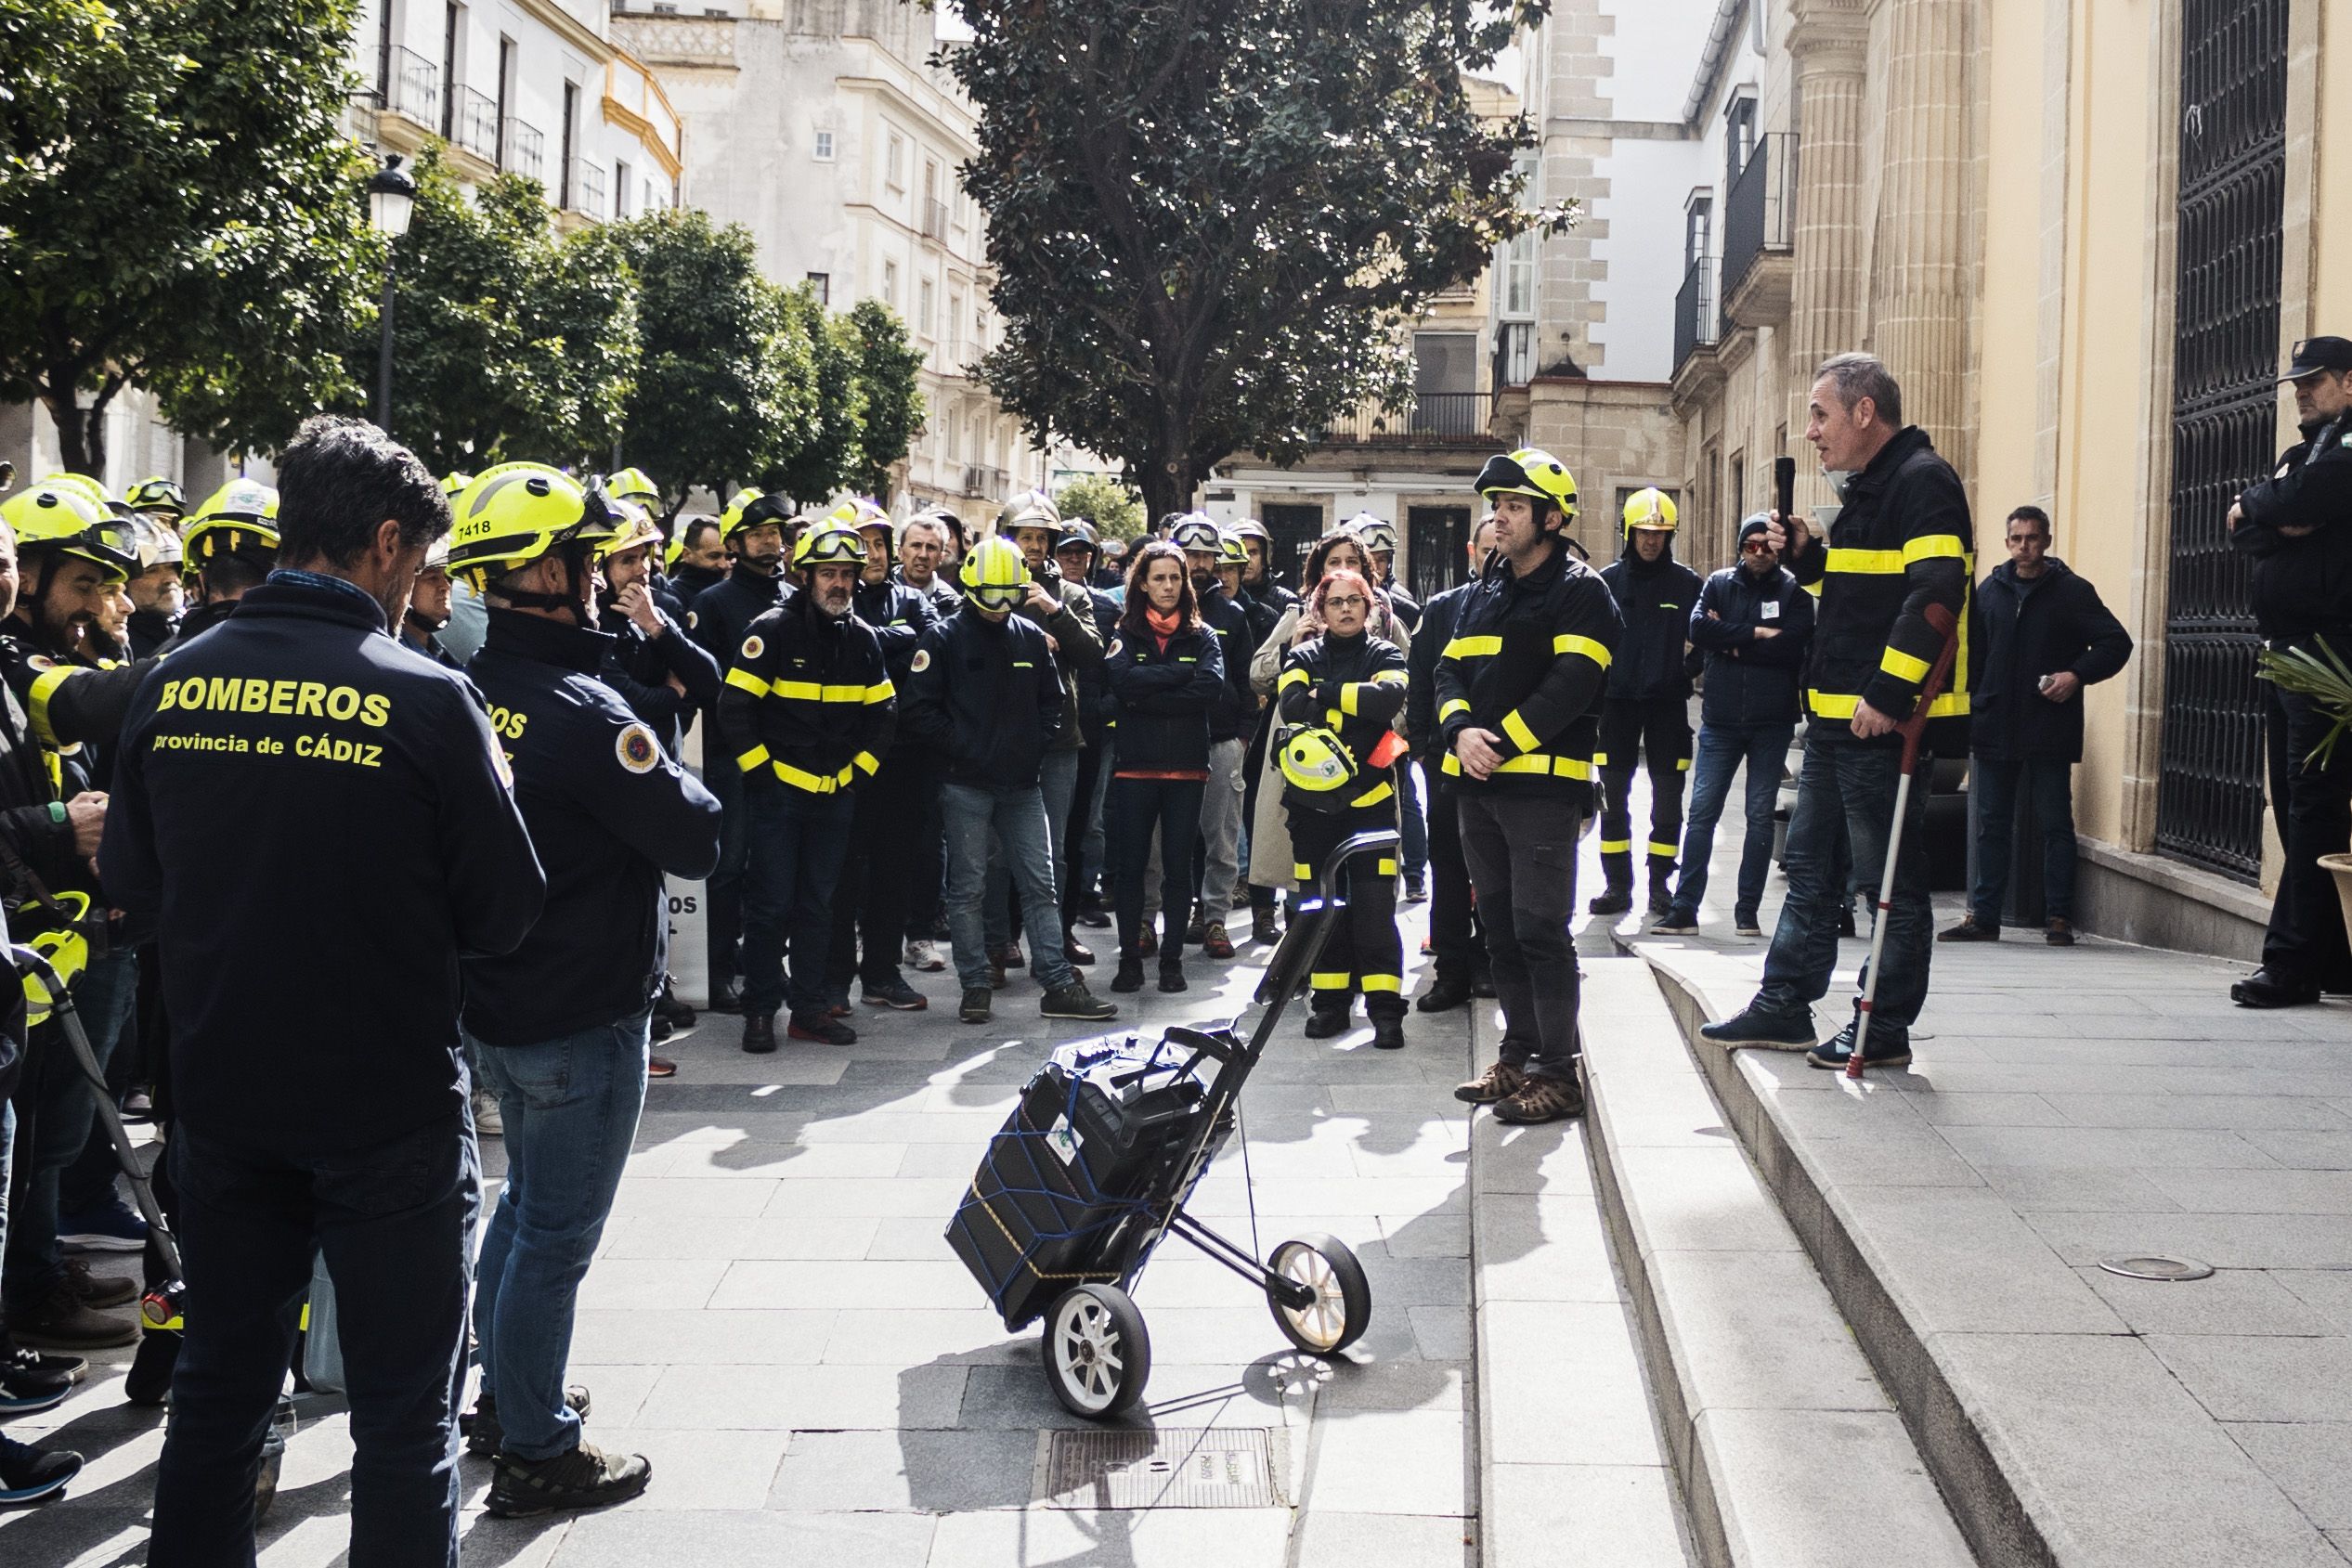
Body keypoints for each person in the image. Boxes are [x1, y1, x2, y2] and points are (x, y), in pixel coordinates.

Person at [102, 415, 546, 1567]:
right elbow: (504, 917)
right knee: (404, 1422)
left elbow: (133, 889)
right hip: (385, 1108)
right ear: (384, 543)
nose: (421, 592)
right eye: (421, 566)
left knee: (218, 1398)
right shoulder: (428, 699)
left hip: (224, 1099)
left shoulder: (172, 684)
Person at [446, 462, 720, 1517]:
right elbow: (693, 832)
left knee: (519, 1218)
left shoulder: (473, 692)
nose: (607, 576)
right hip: (578, 1013)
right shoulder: (581, 708)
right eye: (589, 558)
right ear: (544, 573)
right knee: (554, 1235)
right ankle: (535, 1446)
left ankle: (499, 1400)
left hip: (502, 1008)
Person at [1702, 355, 1976, 1069]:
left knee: (1888, 879)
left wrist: (1888, 696)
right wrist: (1809, 555)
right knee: (1810, 867)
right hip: (1831, 721)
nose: (1811, 432)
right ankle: (1785, 1003)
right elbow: (1864, 590)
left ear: (1863, 413)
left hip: (1874, 723)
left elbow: (1937, 594)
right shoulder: (1870, 489)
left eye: (1821, 414)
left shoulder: (1922, 481)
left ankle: (1881, 1024)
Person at [1437, 447, 1620, 1124]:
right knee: (1500, 930)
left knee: (1541, 929)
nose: (1500, 517)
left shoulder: (1582, 590)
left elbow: (1569, 689)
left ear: (1551, 516)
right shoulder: (1488, 585)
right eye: (1497, 506)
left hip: (1541, 791)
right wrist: (1460, 731)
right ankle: (1516, 1057)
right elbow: (1447, 671)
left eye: (1513, 507)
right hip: (1478, 785)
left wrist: (1499, 742)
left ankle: (1557, 1072)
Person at [902, 536, 1117, 1025]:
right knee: (968, 887)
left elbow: (1053, 700)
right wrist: (966, 748)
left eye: (1009, 595)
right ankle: (975, 983)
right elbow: (918, 709)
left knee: (1042, 883)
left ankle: (1058, 983)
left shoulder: (1028, 637)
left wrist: (1031, 747)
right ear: (971, 588)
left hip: (1023, 787)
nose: (999, 608)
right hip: (965, 785)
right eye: (990, 596)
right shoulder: (943, 637)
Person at [715, 518, 894, 1052]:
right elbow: (734, 709)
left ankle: (809, 1010)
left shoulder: (863, 639)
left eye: (847, 574)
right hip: (778, 796)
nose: (839, 584)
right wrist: (762, 774)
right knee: (770, 906)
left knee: (821, 906)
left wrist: (858, 773)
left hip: (835, 793)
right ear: (805, 576)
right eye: (828, 574)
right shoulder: (769, 629)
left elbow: (883, 714)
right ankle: (761, 1011)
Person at [1938, 506, 2131, 948]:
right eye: (2016, 538)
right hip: (1995, 723)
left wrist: (2075, 675)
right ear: (2007, 543)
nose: (2024, 546)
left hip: (2049, 724)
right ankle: (1983, 917)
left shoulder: (2072, 591)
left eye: (2032, 538)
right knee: (1991, 823)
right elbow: (1975, 656)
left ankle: (2059, 916)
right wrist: (1972, 710)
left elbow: (2116, 642)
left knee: (2055, 823)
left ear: (2046, 540)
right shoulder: (1988, 591)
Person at [2228, 335, 2352, 1005]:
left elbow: (2316, 492)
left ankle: (2292, 964)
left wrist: (2274, 506)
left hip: (2329, 652)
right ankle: (2332, 958)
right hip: (2286, 652)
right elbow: (2247, 526)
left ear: (2350, 382)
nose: (2301, 391)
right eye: (2297, 381)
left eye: (2315, 380)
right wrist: (2273, 509)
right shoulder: (2300, 455)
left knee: (2312, 805)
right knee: (2292, 802)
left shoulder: (2343, 449)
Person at [1653, 513, 1813, 937]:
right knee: (1702, 812)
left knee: (1759, 816)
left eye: (1766, 544)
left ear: (1777, 548)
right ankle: (1685, 908)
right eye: (1750, 545)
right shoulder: (1720, 583)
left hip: (1772, 721)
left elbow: (1794, 645)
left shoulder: (1793, 590)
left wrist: (1734, 642)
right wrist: (1759, 633)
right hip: (1721, 721)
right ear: (1740, 547)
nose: (1759, 552)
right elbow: (1698, 628)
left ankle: (1747, 911)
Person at [1247, 530, 1412, 940]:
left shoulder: (1388, 622)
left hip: (1370, 763)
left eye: (1352, 563)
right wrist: (1294, 644)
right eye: (1332, 563)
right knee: (1307, 874)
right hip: (1305, 762)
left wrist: (1331, 694)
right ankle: (1304, 953)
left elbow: (1397, 693)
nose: (1342, 572)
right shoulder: (1296, 617)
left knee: (1371, 887)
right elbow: (1265, 679)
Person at [1277, 568, 1411, 1047]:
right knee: (1321, 909)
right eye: (1335, 602)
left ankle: (1386, 1011)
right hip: (1311, 811)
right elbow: (1292, 706)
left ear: (1369, 606)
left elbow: (1388, 700)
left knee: (1375, 911)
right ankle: (1329, 1005)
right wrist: (1353, 707)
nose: (1346, 609)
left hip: (1371, 805)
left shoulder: (1386, 653)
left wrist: (1327, 695)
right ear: (1321, 610)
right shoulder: (1303, 655)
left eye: (1355, 600)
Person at [825, 500, 939, 1014]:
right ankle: (831, 982)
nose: (870, 553)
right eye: (861, 542)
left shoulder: (910, 599)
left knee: (896, 867)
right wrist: (885, 642)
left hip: (904, 754)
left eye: (877, 542)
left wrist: (871, 639)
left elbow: (927, 642)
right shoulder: (831, 598)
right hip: (844, 754)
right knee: (843, 871)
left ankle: (882, 973)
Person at [984, 491, 1104, 978]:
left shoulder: (1072, 595)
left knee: (1052, 850)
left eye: (1040, 538)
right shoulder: (988, 584)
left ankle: (1049, 947)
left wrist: (1055, 612)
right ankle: (997, 942)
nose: (1033, 547)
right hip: (999, 739)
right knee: (995, 852)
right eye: (1024, 537)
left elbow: (1094, 654)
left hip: (1057, 739)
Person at [1104, 541, 1227, 993]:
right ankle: (1130, 963)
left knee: (1179, 868)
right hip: (1135, 766)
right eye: (1159, 577)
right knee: (1131, 869)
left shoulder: (1203, 635)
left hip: (1187, 768)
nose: (1169, 586)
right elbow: (1120, 683)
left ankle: (1171, 962)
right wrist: (1178, 675)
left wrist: (1146, 694)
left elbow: (1210, 689)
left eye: (1175, 577)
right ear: (1142, 582)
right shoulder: (1125, 631)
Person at [689, 488, 791, 1013]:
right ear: (736, 543)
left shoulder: (793, 597)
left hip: (788, 757)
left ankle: (768, 969)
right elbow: (708, 685)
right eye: (759, 535)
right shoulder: (712, 604)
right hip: (731, 757)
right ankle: (720, 972)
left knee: (774, 871)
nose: (770, 543)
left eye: (776, 533)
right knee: (728, 869)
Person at [1592, 488, 1704, 920]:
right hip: (1616, 706)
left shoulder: (1688, 583)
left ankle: (1660, 884)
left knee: (1667, 801)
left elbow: (1707, 639)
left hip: (1667, 707)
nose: (1652, 540)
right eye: (1644, 532)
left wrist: (1685, 671)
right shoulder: (1606, 582)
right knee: (1612, 798)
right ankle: (1617, 885)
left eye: (1660, 533)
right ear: (1629, 532)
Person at [1407, 514, 1498, 1010]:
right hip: (1445, 767)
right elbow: (1422, 679)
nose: (1493, 559)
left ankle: (1487, 963)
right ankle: (1450, 971)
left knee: (1491, 872)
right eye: (1486, 551)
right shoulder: (1441, 610)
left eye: (1499, 550)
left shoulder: (1522, 607)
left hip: (1500, 765)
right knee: (1447, 870)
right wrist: (1423, 747)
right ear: (1471, 552)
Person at [1170, 514, 1253, 959]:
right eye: (1190, 554)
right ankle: (1168, 914)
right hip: (1172, 741)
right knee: (1172, 838)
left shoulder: (1233, 614)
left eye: (1206, 555)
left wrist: (1242, 736)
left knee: (1221, 838)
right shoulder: (1161, 607)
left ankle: (1215, 917)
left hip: (1222, 742)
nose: (1198, 563)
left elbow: (1245, 681)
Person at [1054, 524, 1122, 937]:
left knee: (1089, 821)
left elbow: (1117, 668)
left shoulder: (1107, 608)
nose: (1075, 560)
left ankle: (1083, 895)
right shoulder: (1036, 602)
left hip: (1094, 729)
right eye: (1067, 552)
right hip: (1050, 728)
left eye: (1083, 553)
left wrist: (1103, 710)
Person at [664, 514, 728, 603]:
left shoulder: (732, 594)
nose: (723, 564)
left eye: (729, 557)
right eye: (713, 556)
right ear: (687, 554)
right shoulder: (670, 598)